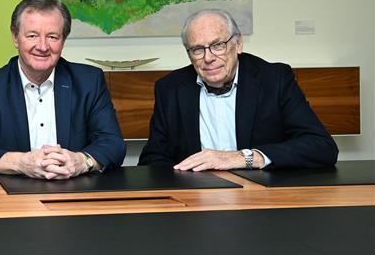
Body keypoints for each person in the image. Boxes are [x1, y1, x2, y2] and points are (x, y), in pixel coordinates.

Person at [138, 9, 338, 170]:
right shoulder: (170, 88)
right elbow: (153, 159)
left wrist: (245, 158)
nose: (208, 58)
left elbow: (321, 147)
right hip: (195, 196)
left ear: (238, 44)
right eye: (197, 49)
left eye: (218, 45)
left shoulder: (274, 79)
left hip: (262, 195)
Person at [0, 0, 125, 179]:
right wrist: (21, 163)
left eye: (52, 36)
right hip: (10, 193)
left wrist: (82, 162)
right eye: (32, 35)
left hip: (74, 190)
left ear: (63, 40)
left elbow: (113, 144)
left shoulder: (89, 81)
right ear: (15, 37)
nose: (42, 46)